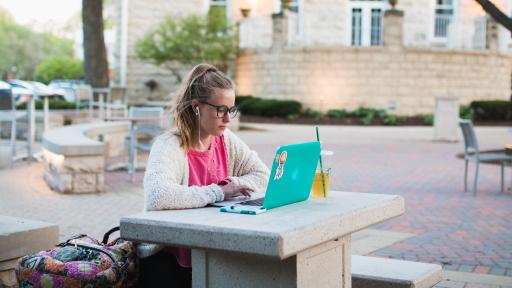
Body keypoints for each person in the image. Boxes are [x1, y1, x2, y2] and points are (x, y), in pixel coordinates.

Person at [138, 63, 270, 287]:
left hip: (210, 252)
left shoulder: (225, 139)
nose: (228, 119)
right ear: (196, 107)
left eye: (232, 110)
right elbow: (157, 195)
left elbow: (262, 175)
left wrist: (234, 183)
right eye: (221, 110)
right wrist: (218, 192)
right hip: (168, 258)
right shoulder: (170, 145)